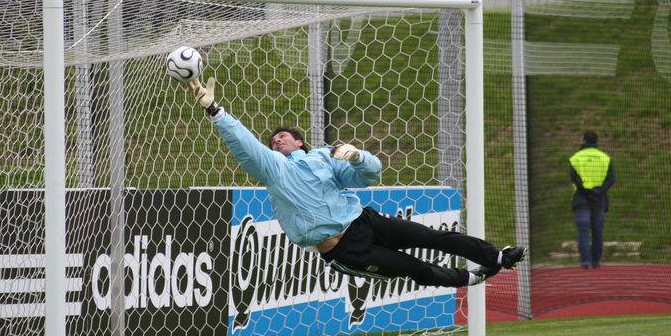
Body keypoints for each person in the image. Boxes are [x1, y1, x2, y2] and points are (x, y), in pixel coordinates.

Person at [187, 77, 526, 288]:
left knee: (433, 236)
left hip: (364, 220)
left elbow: (369, 176)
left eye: (284, 136)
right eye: (273, 140)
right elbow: (245, 146)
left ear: (300, 141)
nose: (277, 141)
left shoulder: (323, 157)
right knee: (414, 268)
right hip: (345, 250)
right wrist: (215, 111)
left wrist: (359, 156)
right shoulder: (275, 169)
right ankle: (470, 278)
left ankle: (497, 256)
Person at [569, 130, 615, 269]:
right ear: (596, 141)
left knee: (583, 230)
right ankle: (596, 260)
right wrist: (598, 191)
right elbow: (611, 179)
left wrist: (587, 191)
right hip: (599, 198)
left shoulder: (576, 158)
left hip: (582, 198)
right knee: (598, 230)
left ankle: (586, 261)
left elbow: (575, 178)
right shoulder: (605, 158)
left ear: (583, 140)